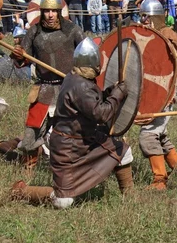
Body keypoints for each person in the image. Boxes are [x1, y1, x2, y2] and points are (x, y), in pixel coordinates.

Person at [11, 38, 134, 208]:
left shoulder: (76, 78)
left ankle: (129, 199)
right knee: (63, 202)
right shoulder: (80, 86)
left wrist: (109, 92)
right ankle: (22, 191)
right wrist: (117, 95)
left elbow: (92, 103)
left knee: (123, 152)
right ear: (95, 65)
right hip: (67, 149)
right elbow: (101, 114)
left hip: (87, 139)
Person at [6, 0, 85, 169]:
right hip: (44, 89)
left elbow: (87, 55)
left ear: (59, 11)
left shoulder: (73, 30)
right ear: (42, 12)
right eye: (47, 11)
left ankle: (72, 166)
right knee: (31, 132)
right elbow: (22, 62)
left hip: (69, 88)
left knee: (74, 130)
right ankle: (29, 169)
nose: (50, 15)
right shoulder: (34, 32)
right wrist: (19, 55)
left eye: (53, 11)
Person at [134, 0, 177, 191]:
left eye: (146, 17)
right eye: (142, 17)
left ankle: (159, 179)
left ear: (154, 17)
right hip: (154, 92)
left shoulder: (167, 35)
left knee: (148, 135)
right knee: (159, 132)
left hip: (164, 93)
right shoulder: (153, 34)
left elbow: (171, 65)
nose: (143, 21)